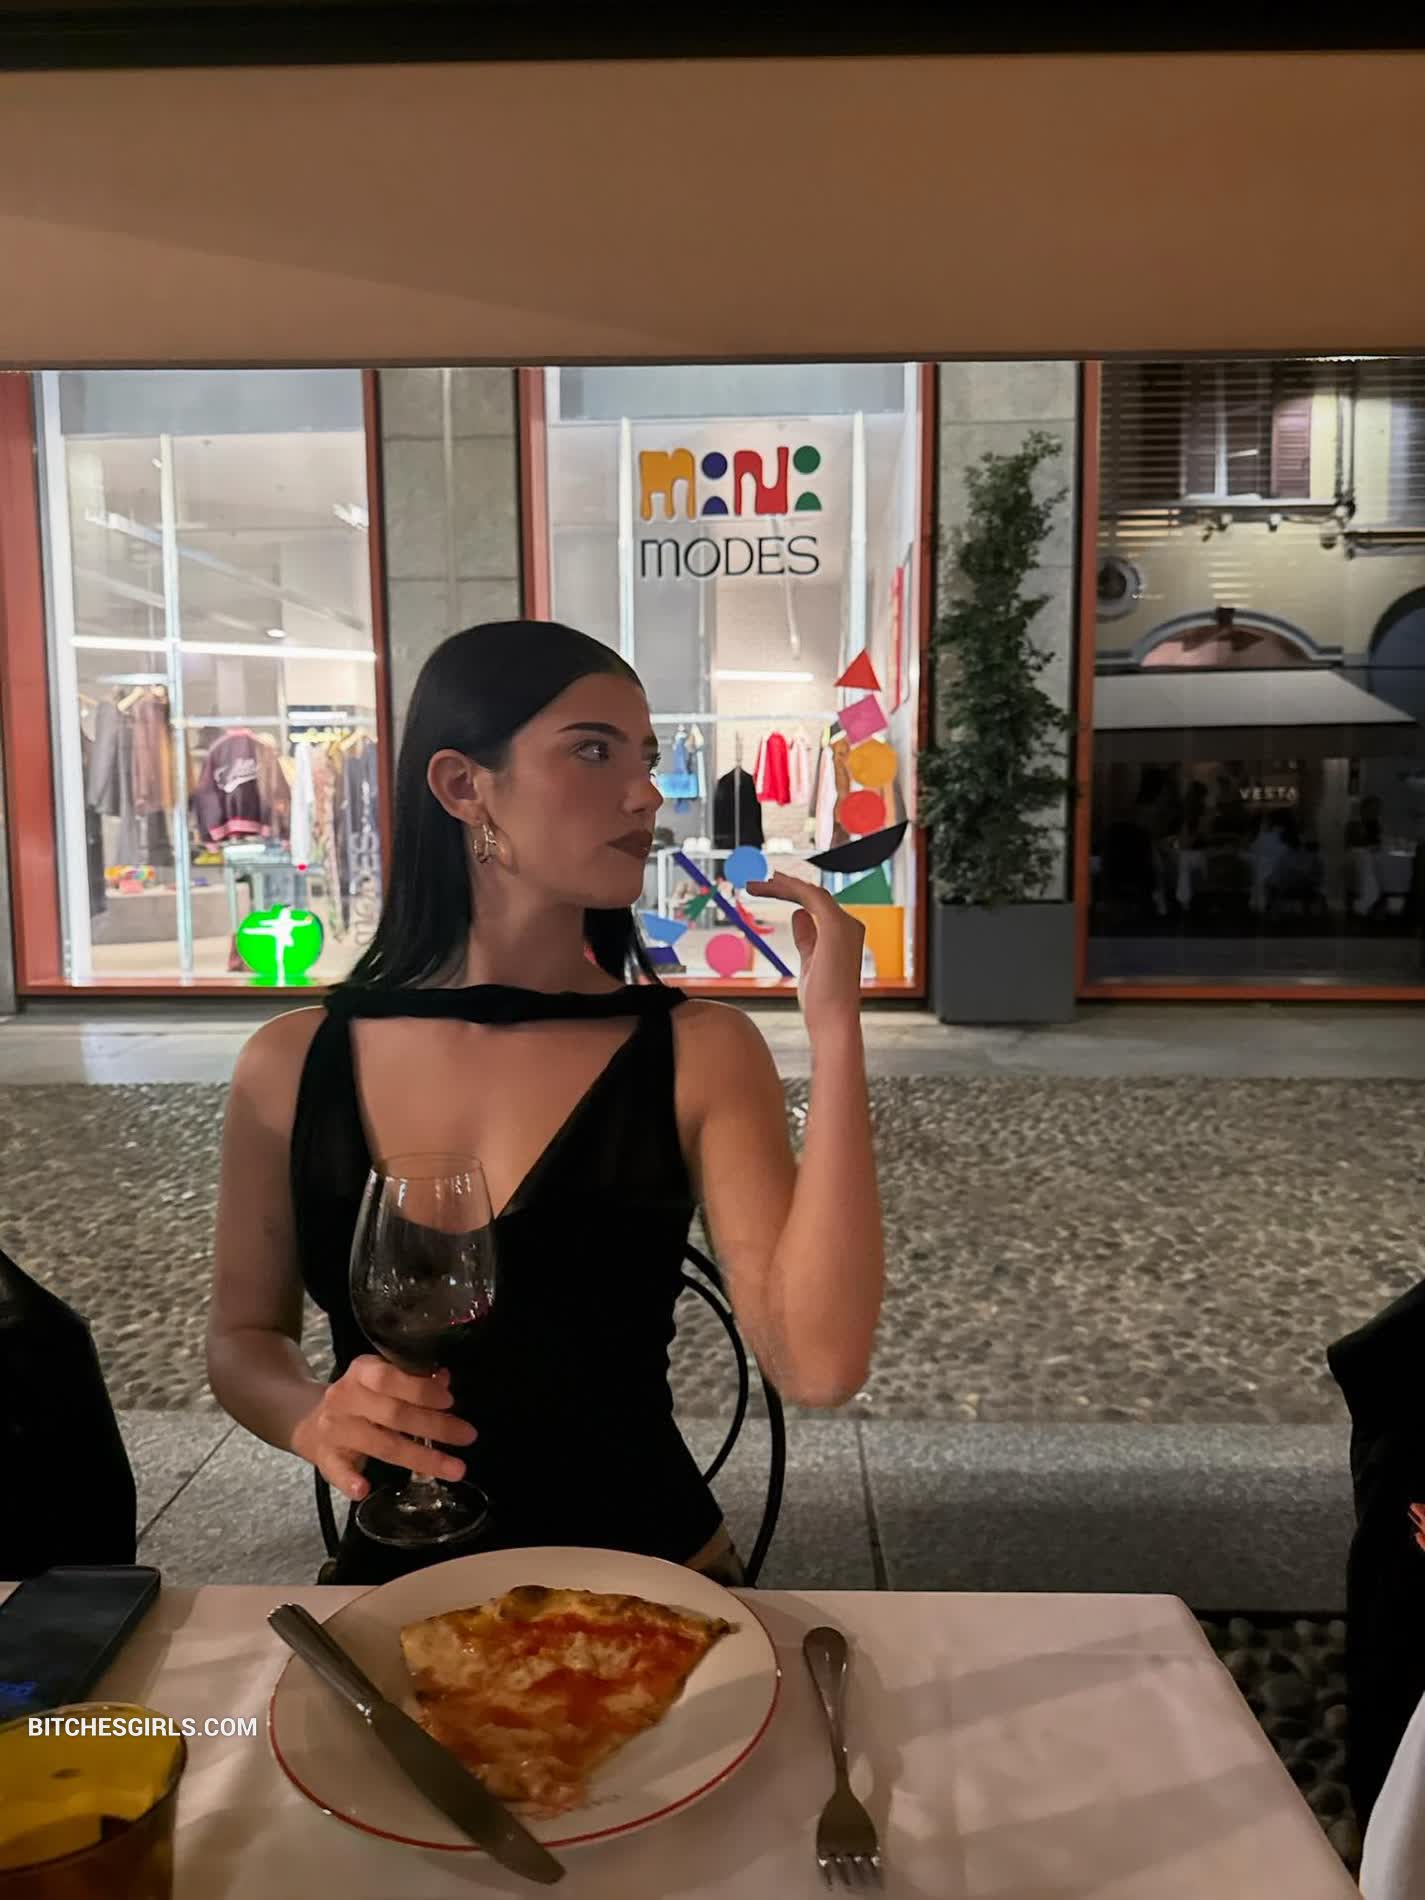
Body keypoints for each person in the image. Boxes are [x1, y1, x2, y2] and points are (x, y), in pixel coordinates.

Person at [206, 621, 884, 1584]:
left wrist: (837, 1034)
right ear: (461, 786)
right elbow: (242, 1339)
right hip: (396, 1599)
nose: (646, 792)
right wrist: (309, 1414)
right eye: (593, 751)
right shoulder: (290, 1062)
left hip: (655, 1594)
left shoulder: (696, 1050)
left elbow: (817, 1365)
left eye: (646, 757)